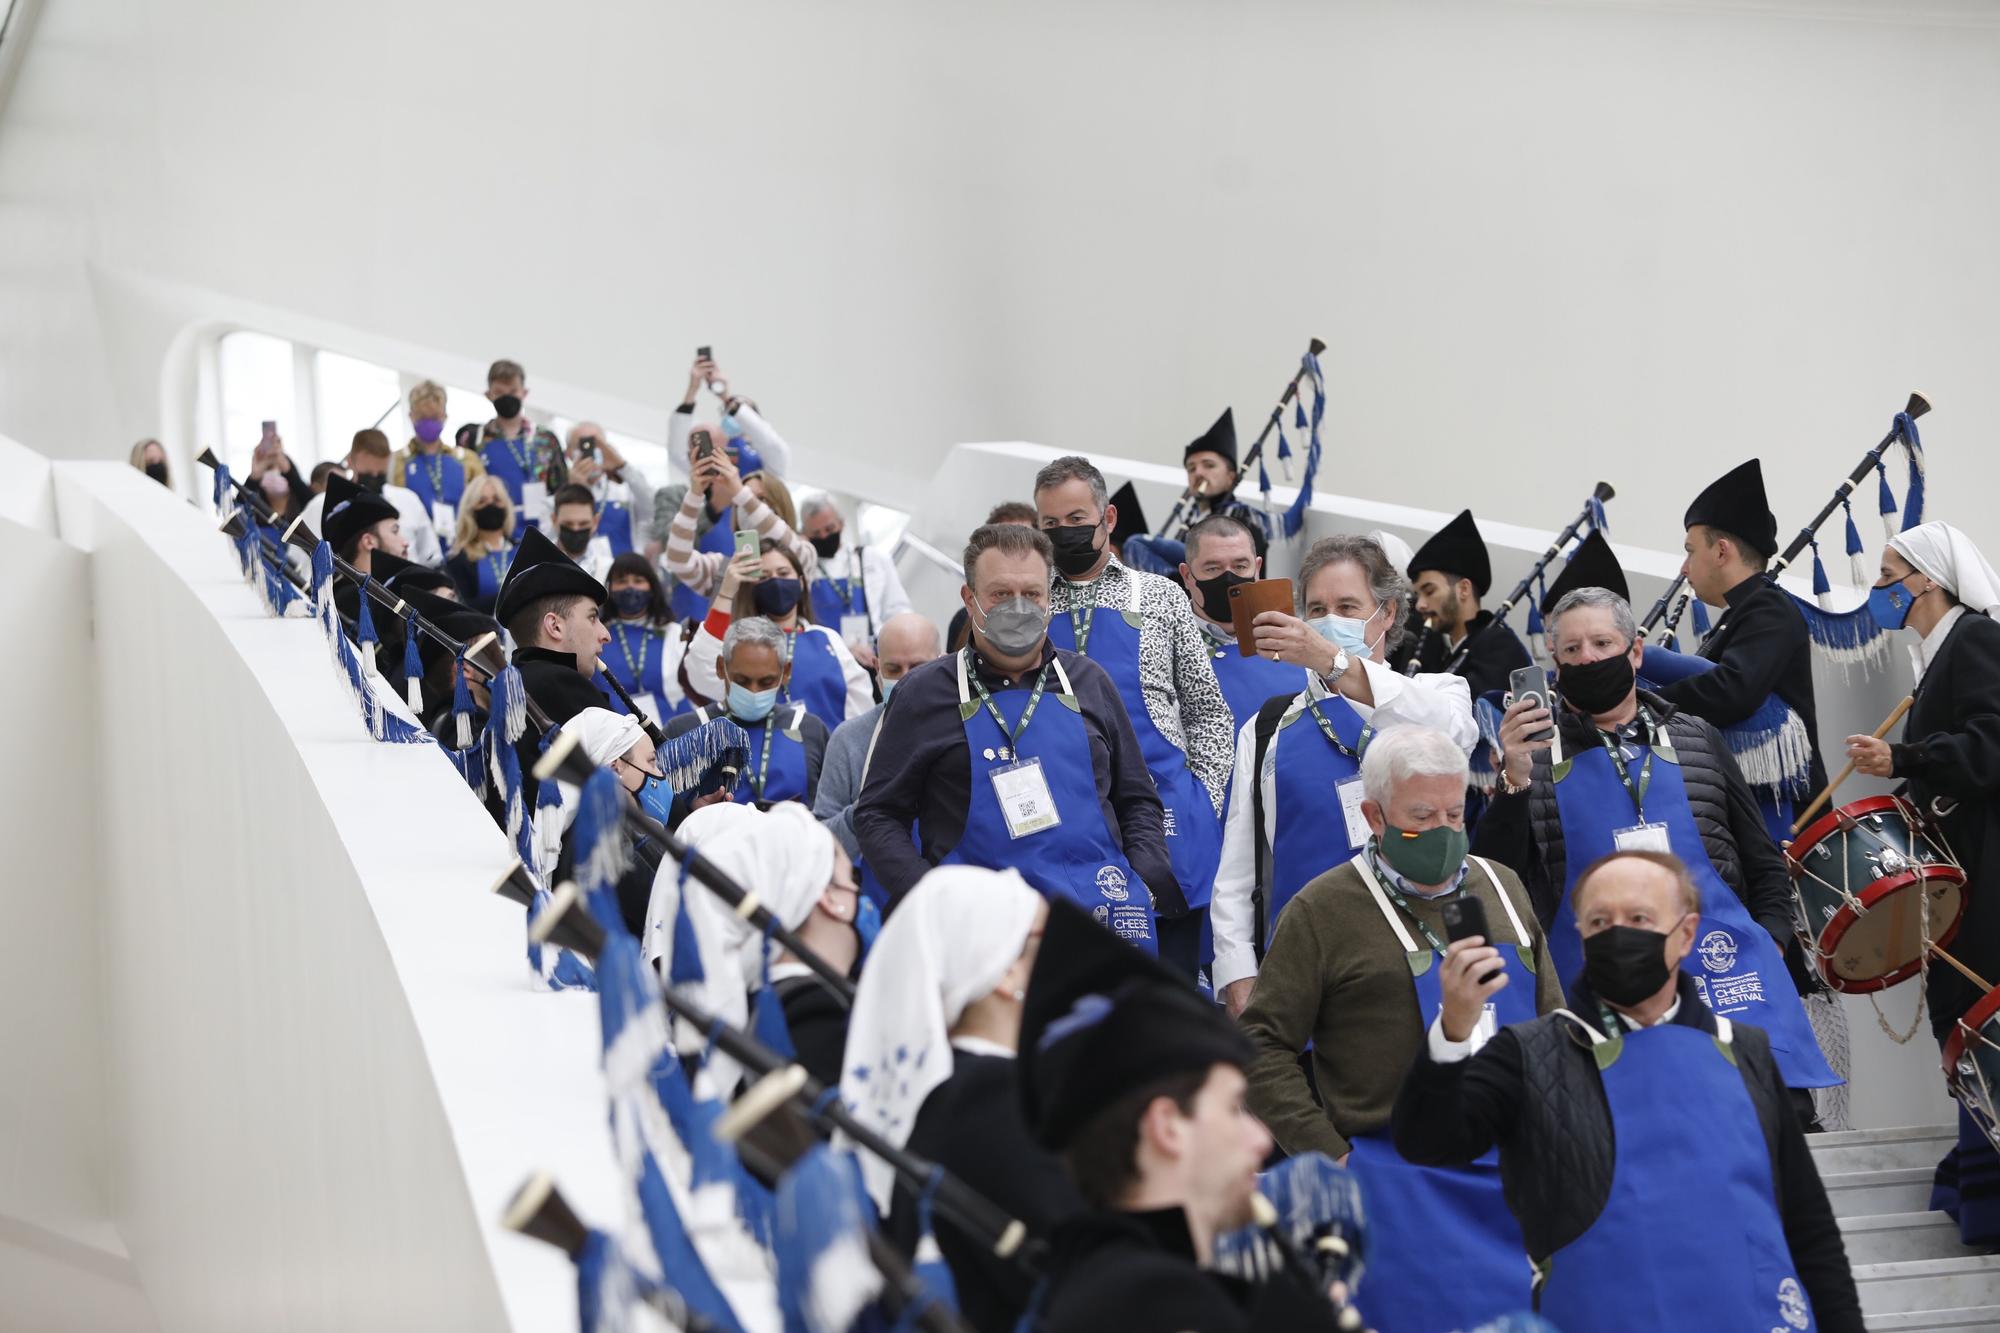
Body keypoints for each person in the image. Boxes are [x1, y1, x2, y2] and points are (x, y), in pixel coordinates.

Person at [1392, 850, 1863, 1333]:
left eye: (1639, 918)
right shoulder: (1527, 1055)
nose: (1618, 933)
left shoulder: (1745, 1051)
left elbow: (1809, 1229)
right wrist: (1452, 1029)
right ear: (1580, 935)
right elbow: (1427, 1141)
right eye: (1600, 920)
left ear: (1686, 933)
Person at [1239, 727, 1556, 1332]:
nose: (1442, 830)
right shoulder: (1321, 910)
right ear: (1373, 816)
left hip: (1516, 1171)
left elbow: (1551, 1016)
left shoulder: (1503, 888)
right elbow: (1260, 1045)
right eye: (1420, 816)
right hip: (1396, 1182)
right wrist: (1329, 1155)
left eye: (1454, 812)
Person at [1477, 583, 1840, 1099]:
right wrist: (1512, 781)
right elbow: (1494, 877)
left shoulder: (1698, 737)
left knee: (1768, 1129)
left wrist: (1774, 938)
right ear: (1554, 665)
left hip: (1726, 980)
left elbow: (1760, 857)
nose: (1589, 658)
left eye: (1602, 644)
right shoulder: (1531, 759)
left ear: (1635, 651)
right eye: (1572, 650)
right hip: (1599, 995)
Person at [1018, 901, 1344, 1333]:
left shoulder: (1119, 1276)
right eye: (1233, 1109)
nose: (1260, 1142)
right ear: (1166, 1127)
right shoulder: (1156, 1304)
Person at [854, 523, 1177, 950]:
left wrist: (1143, 875)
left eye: (1032, 593)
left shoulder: (1089, 682)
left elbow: (1137, 798)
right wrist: (928, 897)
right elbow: (877, 815)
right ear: (970, 599)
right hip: (978, 934)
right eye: (1001, 594)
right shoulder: (924, 693)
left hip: (1103, 923)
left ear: (1050, 598)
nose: (1019, 606)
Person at [1212, 535, 1478, 1015]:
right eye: (1316, 608)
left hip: (1420, 972)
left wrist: (1335, 664)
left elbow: (1453, 734)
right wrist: (1238, 976)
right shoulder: (1268, 726)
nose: (1329, 620)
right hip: (1305, 978)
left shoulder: (1438, 691)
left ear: (1389, 614)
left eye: (1348, 606)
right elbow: (1238, 867)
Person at [1843, 522, 2000, 1245]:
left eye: (1888, 573)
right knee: (1964, 1019)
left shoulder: (1974, 640)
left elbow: (1990, 743)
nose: (1879, 588)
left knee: (1977, 1016)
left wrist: (1902, 755)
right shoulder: (1935, 657)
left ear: (1926, 579)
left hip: (1988, 874)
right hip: (1963, 874)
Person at [836, 866, 1075, 1332]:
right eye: (1049, 938)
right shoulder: (993, 1100)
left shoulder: (951, 1090)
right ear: (1006, 971)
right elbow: (1083, 1265)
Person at [1036, 454, 1233, 979]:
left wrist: (1201, 802)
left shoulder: (1162, 597)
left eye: (1077, 520)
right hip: (1072, 826)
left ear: (1108, 519)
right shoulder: (1032, 609)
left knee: (1174, 990)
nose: (1064, 533)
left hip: (1170, 824)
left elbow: (1209, 715)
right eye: (1050, 525)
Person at [1658, 458, 1829, 796]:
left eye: (1690, 551)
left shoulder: (1770, 609)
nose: (1684, 568)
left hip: (1785, 818)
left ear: (1721, 551)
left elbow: (1732, 690)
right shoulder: (1742, 613)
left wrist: (1645, 701)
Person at [690, 802, 861, 1090]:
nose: (859, 892)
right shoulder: (815, 1017)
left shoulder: (765, 1008)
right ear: (828, 897)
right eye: (852, 877)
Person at [685, 539, 870, 731]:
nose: (775, 581)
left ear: (800, 582)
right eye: (764, 577)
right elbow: (702, 673)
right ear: (752, 588)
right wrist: (726, 593)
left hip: (829, 755)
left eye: (783, 573)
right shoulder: (742, 646)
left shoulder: (827, 638)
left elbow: (860, 708)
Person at [813, 613, 941, 864]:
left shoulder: (967, 729)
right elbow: (820, 844)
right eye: (893, 669)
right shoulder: (849, 740)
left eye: (918, 667)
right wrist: (865, 810)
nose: (906, 678)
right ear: (876, 668)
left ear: (943, 662)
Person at [662, 616, 828, 808]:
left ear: (786, 671)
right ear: (720, 667)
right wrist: (689, 811)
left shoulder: (809, 729)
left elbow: (829, 810)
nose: (754, 691)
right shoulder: (682, 730)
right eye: (741, 681)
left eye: (766, 682)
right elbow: (657, 816)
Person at [663, 425, 817, 623]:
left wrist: (739, 491)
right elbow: (678, 560)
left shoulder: (803, 553)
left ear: (780, 505)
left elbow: (778, 534)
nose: (750, 506)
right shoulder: (723, 567)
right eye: (742, 501)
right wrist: (695, 495)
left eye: (761, 499)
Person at [1176, 514, 1306, 730]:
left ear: (1257, 569)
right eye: (1213, 568)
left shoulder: (1294, 639)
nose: (1228, 579)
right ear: (1187, 576)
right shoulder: (1165, 644)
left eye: (1240, 566)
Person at [1406, 507, 1532, 699]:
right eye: (1417, 595)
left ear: (1463, 589)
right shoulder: (1452, 651)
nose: (1420, 605)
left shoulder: (1498, 648)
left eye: (1429, 591)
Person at [454, 358, 566, 537]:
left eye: (513, 390)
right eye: (499, 392)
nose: (507, 397)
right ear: (488, 394)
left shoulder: (545, 440)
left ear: (524, 392)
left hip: (540, 531)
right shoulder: (474, 440)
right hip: (490, 533)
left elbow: (560, 490)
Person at [798, 494, 914, 666]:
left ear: (841, 524)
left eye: (829, 529)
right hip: (825, 659)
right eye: (816, 533)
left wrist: (890, 646)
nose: (823, 537)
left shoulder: (873, 558)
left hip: (874, 656)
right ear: (804, 534)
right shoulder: (803, 568)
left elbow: (898, 609)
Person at [320, 429, 440, 567]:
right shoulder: (329, 506)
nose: (374, 478)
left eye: (380, 474)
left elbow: (431, 555)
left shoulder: (408, 499)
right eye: (368, 474)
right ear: (350, 462)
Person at [600, 552, 691, 730]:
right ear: (609, 588)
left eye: (638, 580)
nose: (630, 587)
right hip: (613, 737)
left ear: (652, 587)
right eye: (622, 581)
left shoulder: (674, 633)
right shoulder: (598, 635)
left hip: (671, 732)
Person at [391, 380, 483, 550]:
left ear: (445, 416)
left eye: (434, 417)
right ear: (411, 416)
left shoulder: (467, 460)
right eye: (422, 418)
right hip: (414, 549)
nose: (428, 423)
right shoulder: (396, 462)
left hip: (462, 549)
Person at [947, 501, 1037, 653]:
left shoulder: (1055, 615)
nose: (1015, 553)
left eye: (1026, 542)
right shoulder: (963, 620)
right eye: (1003, 543)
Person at [563, 421, 654, 558]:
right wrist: (574, 491)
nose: (589, 451)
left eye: (596, 444)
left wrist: (622, 466)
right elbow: (552, 538)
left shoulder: (624, 489)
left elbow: (652, 508)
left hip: (622, 571)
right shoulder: (557, 496)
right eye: (581, 445)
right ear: (568, 453)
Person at [443, 474, 516, 614]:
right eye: (482, 501)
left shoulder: (523, 549)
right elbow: (463, 607)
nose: (491, 505)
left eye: (497, 500)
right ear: (471, 511)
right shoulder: (459, 560)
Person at [549, 483, 615, 584]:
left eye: (583, 524)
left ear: (595, 522)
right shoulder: (535, 566)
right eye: (568, 524)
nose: (576, 529)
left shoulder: (609, 569)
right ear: (554, 520)